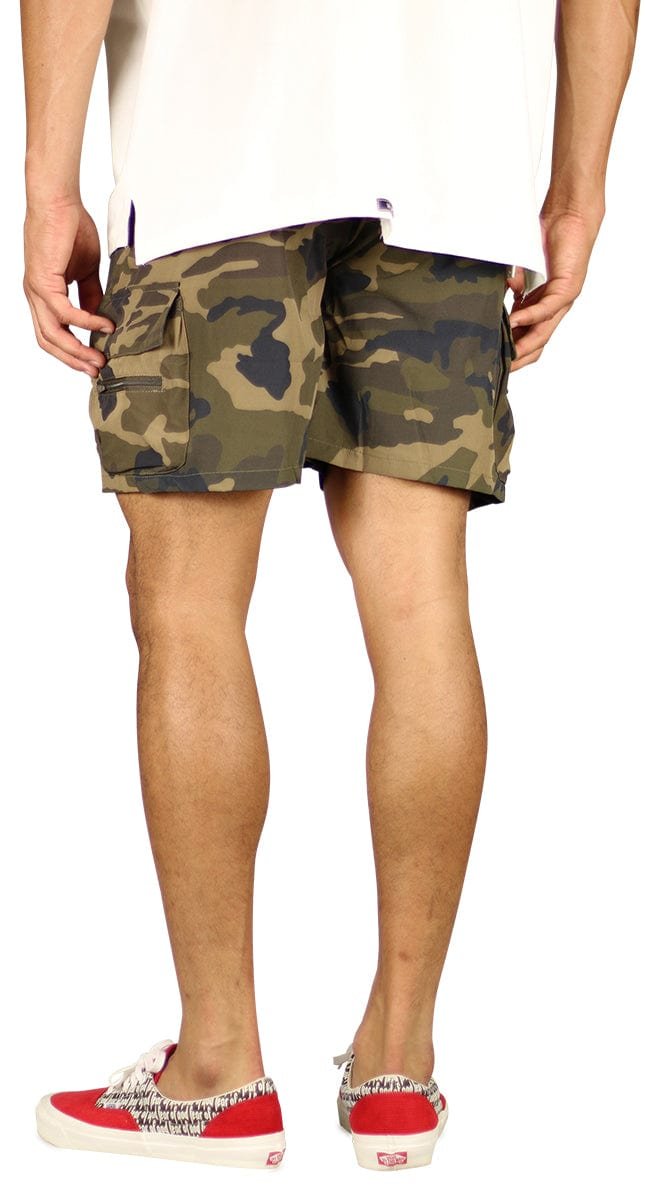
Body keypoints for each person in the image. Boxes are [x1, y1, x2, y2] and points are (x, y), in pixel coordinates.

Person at [21, 0, 639, 1174]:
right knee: (423, 608)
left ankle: (218, 1071)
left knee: (189, 610)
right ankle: (399, 1069)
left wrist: (50, 184)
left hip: (215, 164)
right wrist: (576, 186)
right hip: (452, 173)